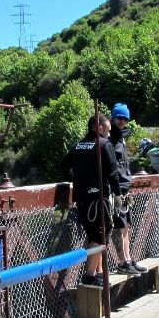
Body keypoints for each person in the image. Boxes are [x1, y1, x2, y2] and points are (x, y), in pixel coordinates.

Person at [61, 113, 123, 286]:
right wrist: (118, 195)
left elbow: (64, 165)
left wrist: (75, 181)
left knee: (92, 234)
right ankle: (89, 275)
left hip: (81, 198)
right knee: (101, 234)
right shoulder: (104, 144)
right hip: (98, 199)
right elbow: (112, 173)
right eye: (108, 131)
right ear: (100, 128)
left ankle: (96, 272)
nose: (109, 135)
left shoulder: (78, 146)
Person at [108, 103, 146, 275]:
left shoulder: (121, 137)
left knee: (126, 226)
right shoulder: (108, 138)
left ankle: (128, 259)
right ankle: (122, 262)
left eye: (125, 119)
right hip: (115, 189)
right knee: (119, 227)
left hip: (124, 187)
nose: (122, 122)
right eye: (119, 118)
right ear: (113, 117)